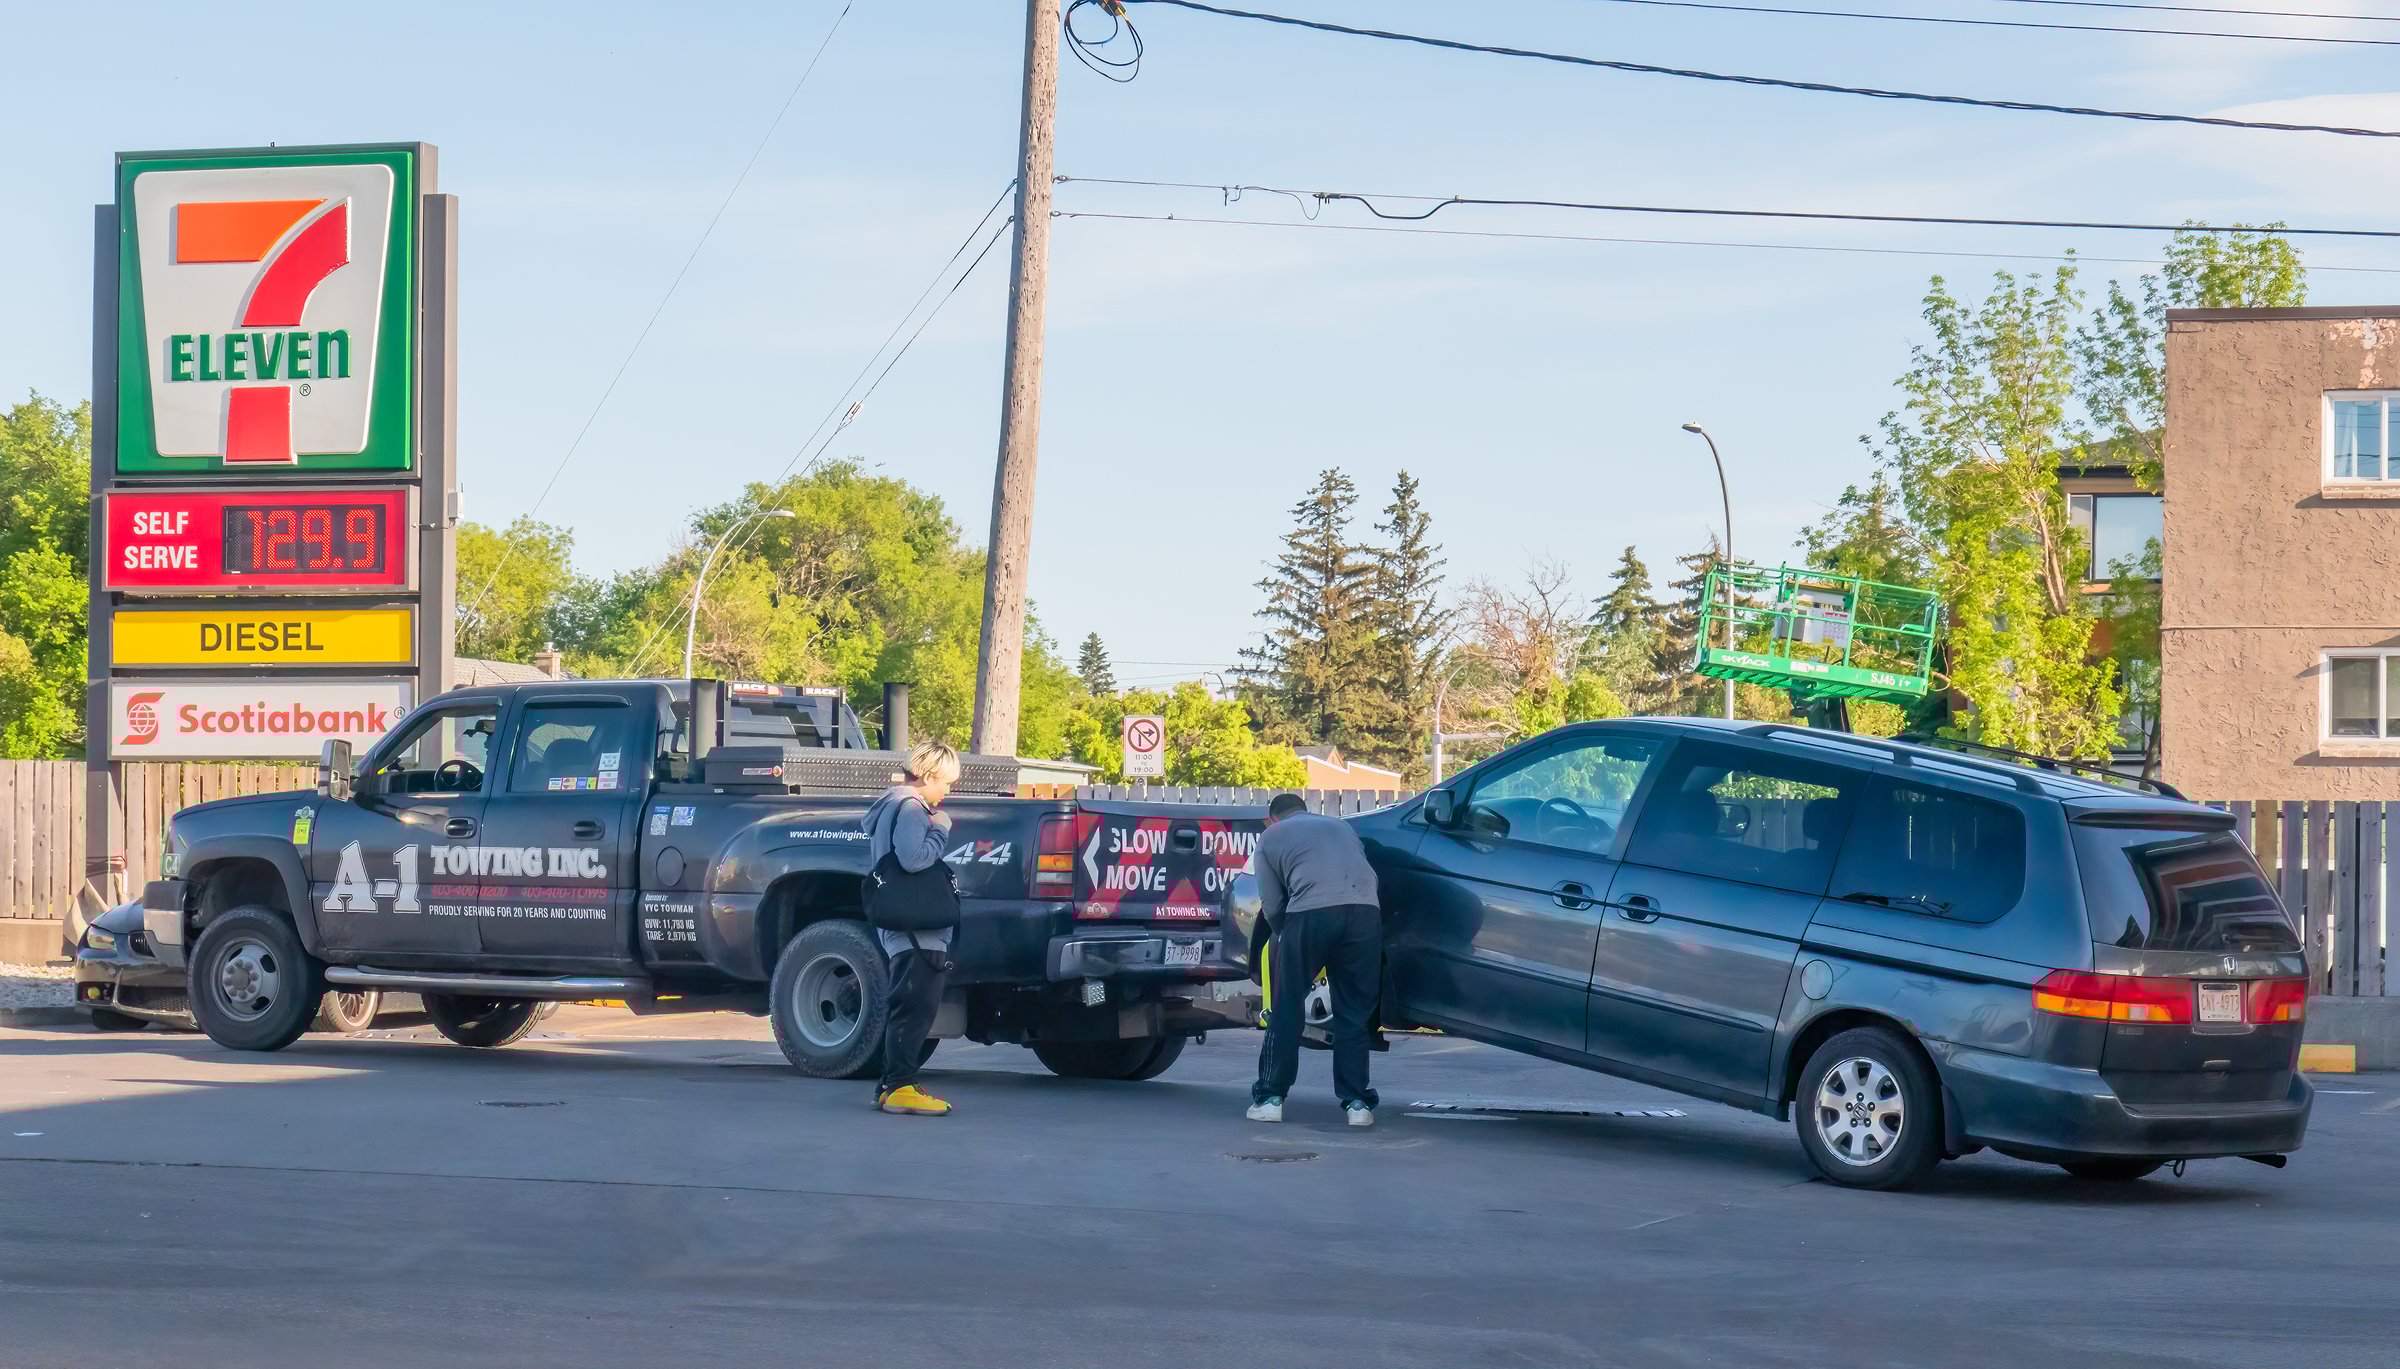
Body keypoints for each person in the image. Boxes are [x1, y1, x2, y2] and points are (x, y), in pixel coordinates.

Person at [1247, 792, 1384, 1127]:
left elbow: (1273, 904)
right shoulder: (1341, 827)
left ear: (1272, 818)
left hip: (1309, 914)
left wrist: (1286, 937)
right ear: (1306, 811)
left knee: (1287, 1006)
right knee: (1353, 1011)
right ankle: (1357, 1105)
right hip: (1366, 914)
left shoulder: (1270, 836)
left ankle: (1270, 1099)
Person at [861, 738, 964, 1116]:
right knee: (916, 1007)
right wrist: (940, 829)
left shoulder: (890, 805)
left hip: (901, 925)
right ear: (930, 774)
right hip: (917, 931)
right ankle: (901, 1087)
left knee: (908, 1003)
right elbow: (913, 859)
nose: (948, 790)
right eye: (947, 781)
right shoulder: (912, 809)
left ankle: (892, 1084)